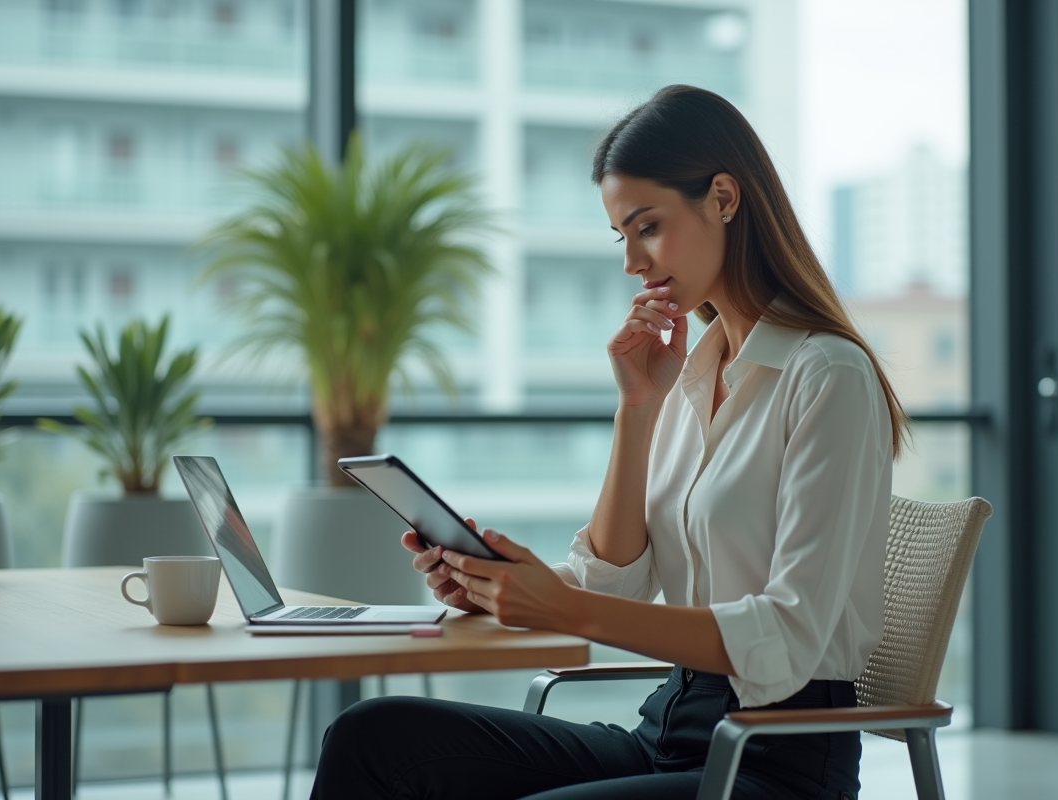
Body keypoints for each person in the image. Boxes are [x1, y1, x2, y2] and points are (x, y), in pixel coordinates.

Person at [309, 84, 906, 800]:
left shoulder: (828, 376)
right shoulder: (694, 373)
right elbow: (616, 581)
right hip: (669, 733)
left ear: (723, 197)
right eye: (623, 236)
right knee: (372, 737)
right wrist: (634, 411)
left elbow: (790, 633)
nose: (632, 261)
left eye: (647, 227)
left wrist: (560, 607)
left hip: (775, 760)